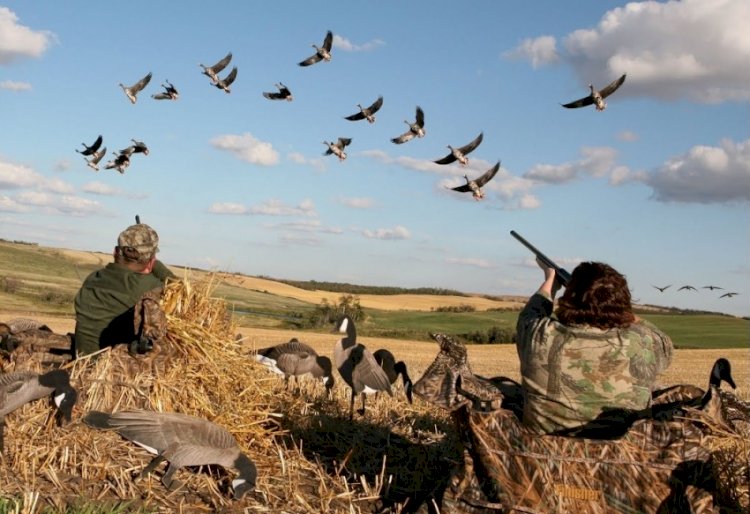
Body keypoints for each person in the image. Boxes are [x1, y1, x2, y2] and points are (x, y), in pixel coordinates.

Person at [516, 260, 673, 434]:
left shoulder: (538, 334)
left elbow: (531, 313)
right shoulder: (644, 341)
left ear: (569, 297)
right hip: (624, 458)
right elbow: (664, 344)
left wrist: (550, 282)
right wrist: (619, 308)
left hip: (542, 456)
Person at [73, 221, 175, 357]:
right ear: (150, 262)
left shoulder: (93, 278)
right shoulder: (150, 287)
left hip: (81, 363)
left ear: (115, 252)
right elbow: (182, 290)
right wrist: (157, 266)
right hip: (113, 372)